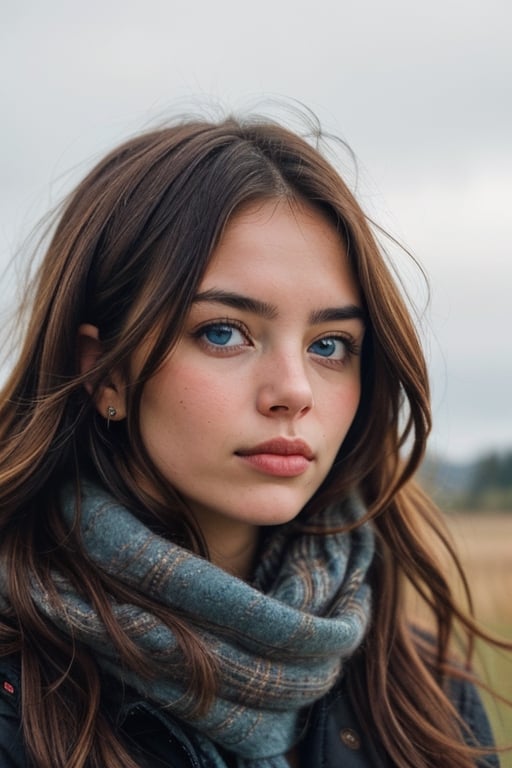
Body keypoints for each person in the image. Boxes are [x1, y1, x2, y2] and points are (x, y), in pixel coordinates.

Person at [0, 114, 507, 768]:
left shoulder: (423, 699)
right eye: (223, 332)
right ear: (105, 370)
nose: (293, 391)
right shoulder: (17, 708)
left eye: (330, 346)